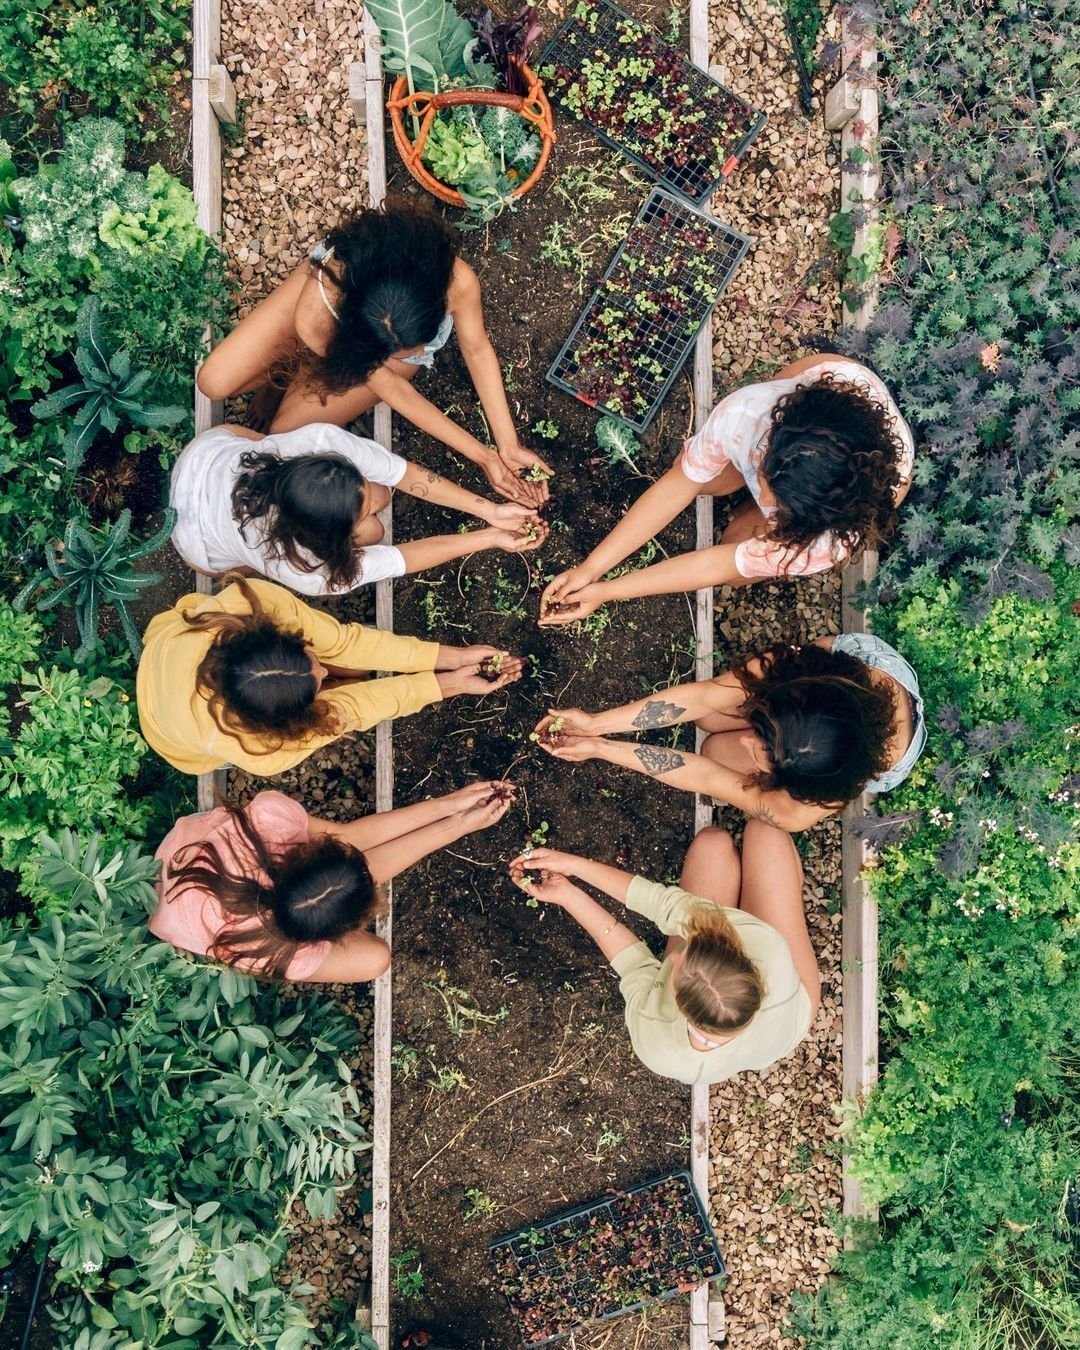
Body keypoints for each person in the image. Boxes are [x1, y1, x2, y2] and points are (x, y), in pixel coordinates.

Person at [195, 198, 553, 508]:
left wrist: (502, 446)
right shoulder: (317, 311)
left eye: (412, 347)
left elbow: (472, 350)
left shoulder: (457, 281)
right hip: (337, 333)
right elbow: (357, 366)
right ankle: (281, 379)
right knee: (213, 381)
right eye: (394, 348)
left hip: (356, 347)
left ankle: (285, 385)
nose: (409, 354)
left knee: (282, 432)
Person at [539, 354, 914, 624]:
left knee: (738, 559)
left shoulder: (823, 544)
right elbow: (678, 485)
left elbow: (718, 565)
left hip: (843, 488)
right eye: (767, 481)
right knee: (707, 480)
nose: (762, 501)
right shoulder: (747, 415)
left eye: (778, 505)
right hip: (827, 387)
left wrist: (607, 591)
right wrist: (592, 568)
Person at [509, 825, 819, 1085]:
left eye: (676, 963)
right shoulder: (769, 950)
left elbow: (635, 963)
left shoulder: (657, 1039)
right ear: (736, 954)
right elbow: (664, 905)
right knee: (759, 832)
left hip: (779, 1013)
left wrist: (569, 894)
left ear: (679, 1001)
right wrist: (574, 867)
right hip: (783, 1015)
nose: (677, 955)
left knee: (715, 845)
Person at [530, 634, 925, 831]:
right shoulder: (816, 671)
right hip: (848, 681)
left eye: (764, 753)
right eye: (762, 733)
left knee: (718, 751)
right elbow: (705, 697)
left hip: (862, 750)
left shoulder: (796, 809)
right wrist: (596, 723)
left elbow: (704, 774)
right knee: (712, 717)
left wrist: (600, 749)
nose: (746, 741)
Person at [136, 576, 522, 777]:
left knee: (352, 667)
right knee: (353, 682)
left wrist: (448, 656)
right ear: (278, 723)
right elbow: (349, 710)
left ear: (267, 636)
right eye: (318, 680)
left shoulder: (253, 602)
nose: (322, 669)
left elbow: (344, 642)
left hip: (165, 643)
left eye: (309, 660)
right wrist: (450, 684)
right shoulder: (258, 750)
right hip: (171, 732)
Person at [151, 780, 516, 981]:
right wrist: (457, 824)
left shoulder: (268, 820)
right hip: (175, 910)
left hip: (182, 852)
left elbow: (349, 837)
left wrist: (453, 809)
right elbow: (349, 840)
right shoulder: (277, 952)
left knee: (363, 935)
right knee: (375, 959)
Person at [169, 421, 548, 595]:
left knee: (382, 497)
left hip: (203, 458)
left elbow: (401, 475)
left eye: (359, 486)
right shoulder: (309, 573)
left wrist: (490, 511)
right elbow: (401, 559)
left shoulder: (320, 442)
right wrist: (488, 539)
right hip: (197, 543)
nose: (374, 503)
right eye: (359, 512)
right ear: (326, 542)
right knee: (377, 534)